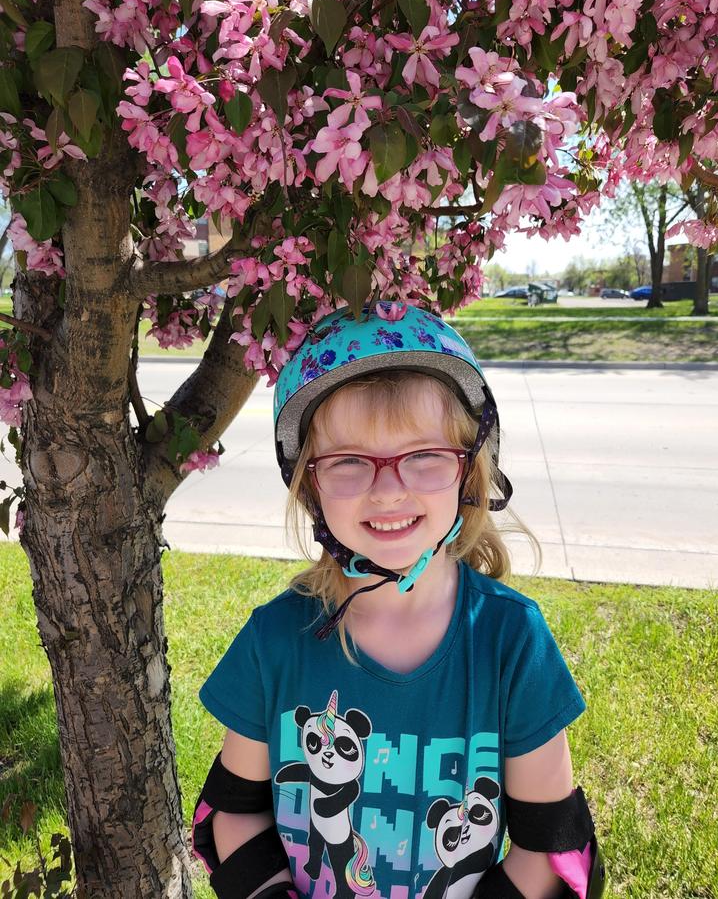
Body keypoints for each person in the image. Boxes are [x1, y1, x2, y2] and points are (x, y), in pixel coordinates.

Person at [192, 301, 606, 899]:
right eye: (349, 462)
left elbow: (552, 845)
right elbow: (234, 810)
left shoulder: (511, 642)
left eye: (424, 457)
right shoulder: (274, 642)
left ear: (467, 472)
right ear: (310, 481)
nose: (388, 492)